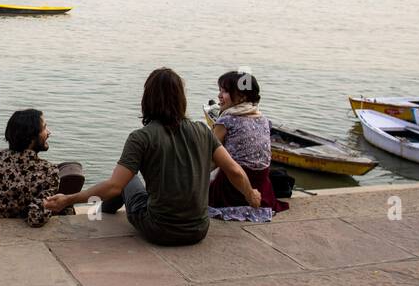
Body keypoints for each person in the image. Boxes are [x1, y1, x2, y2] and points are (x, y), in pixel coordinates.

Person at [44, 68, 261, 246]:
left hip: (159, 230)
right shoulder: (203, 130)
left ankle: (104, 212)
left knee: (127, 180)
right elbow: (233, 170)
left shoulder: (141, 137)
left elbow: (114, 187)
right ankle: (106, 209)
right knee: (128, 178)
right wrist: (251, 195)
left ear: (147, 98)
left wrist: (68, 199)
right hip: (198, 230)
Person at [0, 109, 83, 227]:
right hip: (11, 225)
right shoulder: (48, 171)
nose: (49, 132)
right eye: (45, 128)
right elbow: (36, 219)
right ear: (31, 137)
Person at [208, 71, 287, 213]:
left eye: (225, 91)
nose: (219, 95)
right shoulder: (264, 119)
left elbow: (209, 154)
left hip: (233, 188)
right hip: (262, 187)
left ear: (242, 96)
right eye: (220, 90)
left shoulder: (225, 121)